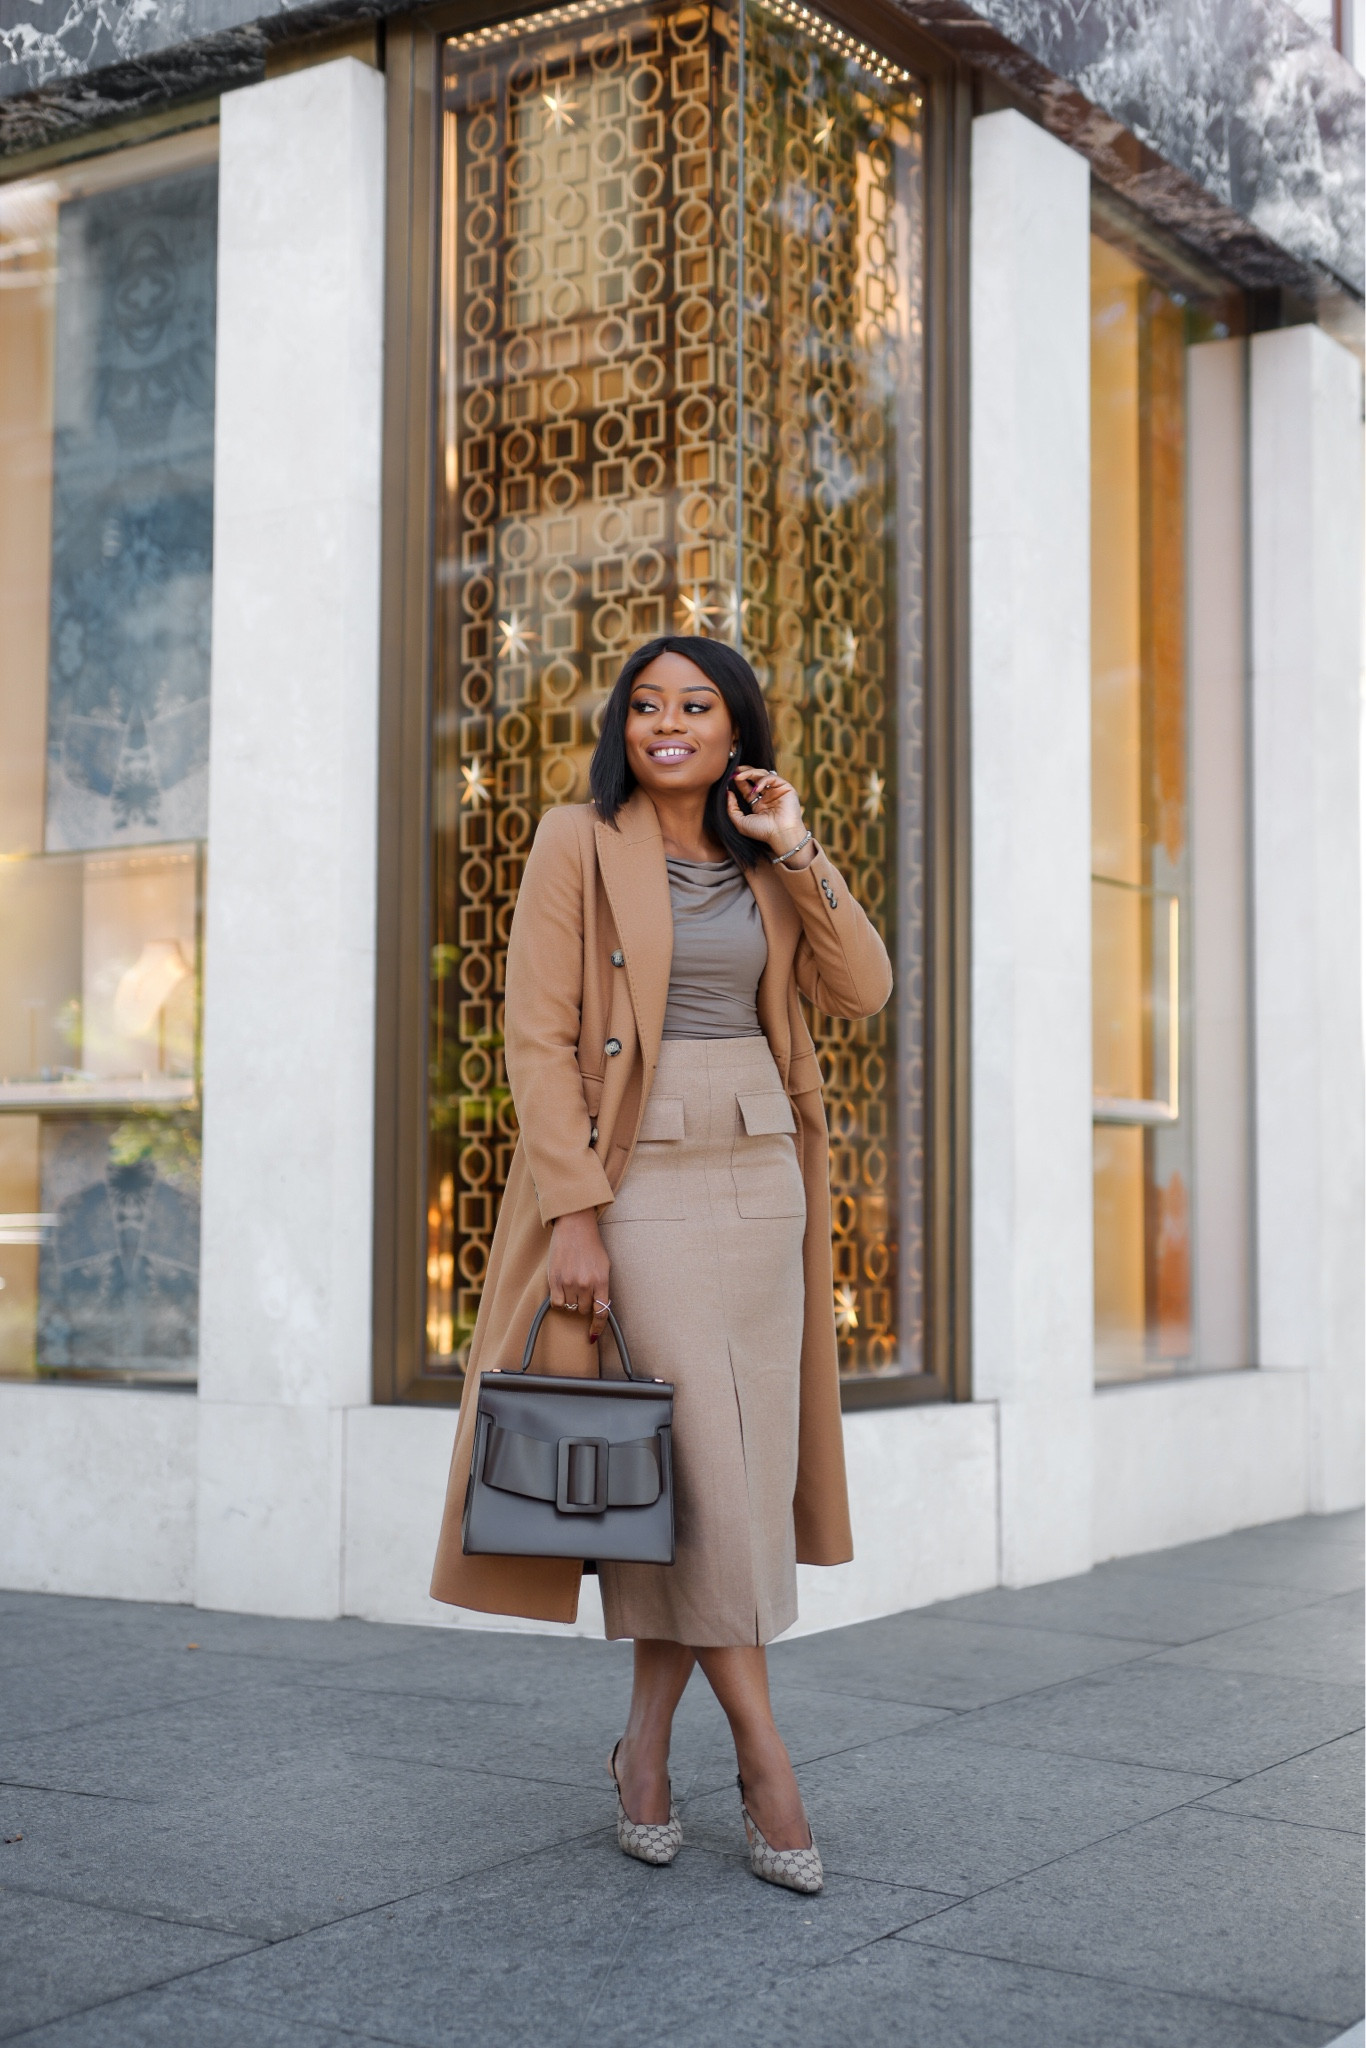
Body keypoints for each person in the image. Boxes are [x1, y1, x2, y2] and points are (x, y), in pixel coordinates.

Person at [430, 635, 893, 1893]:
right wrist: (575, 1214)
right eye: (646, 704)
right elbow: (536, 1037)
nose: (667, 721)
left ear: (736, 730)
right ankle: (764, 1759)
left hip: (761, 1172)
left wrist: (795, 844)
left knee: (718, 1479)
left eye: (694, 704)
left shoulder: (761, 858)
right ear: (622, 728)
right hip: (633, 1169)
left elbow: (862, 987)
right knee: (705, 1471)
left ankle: (642, 1748)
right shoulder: (574, 839)